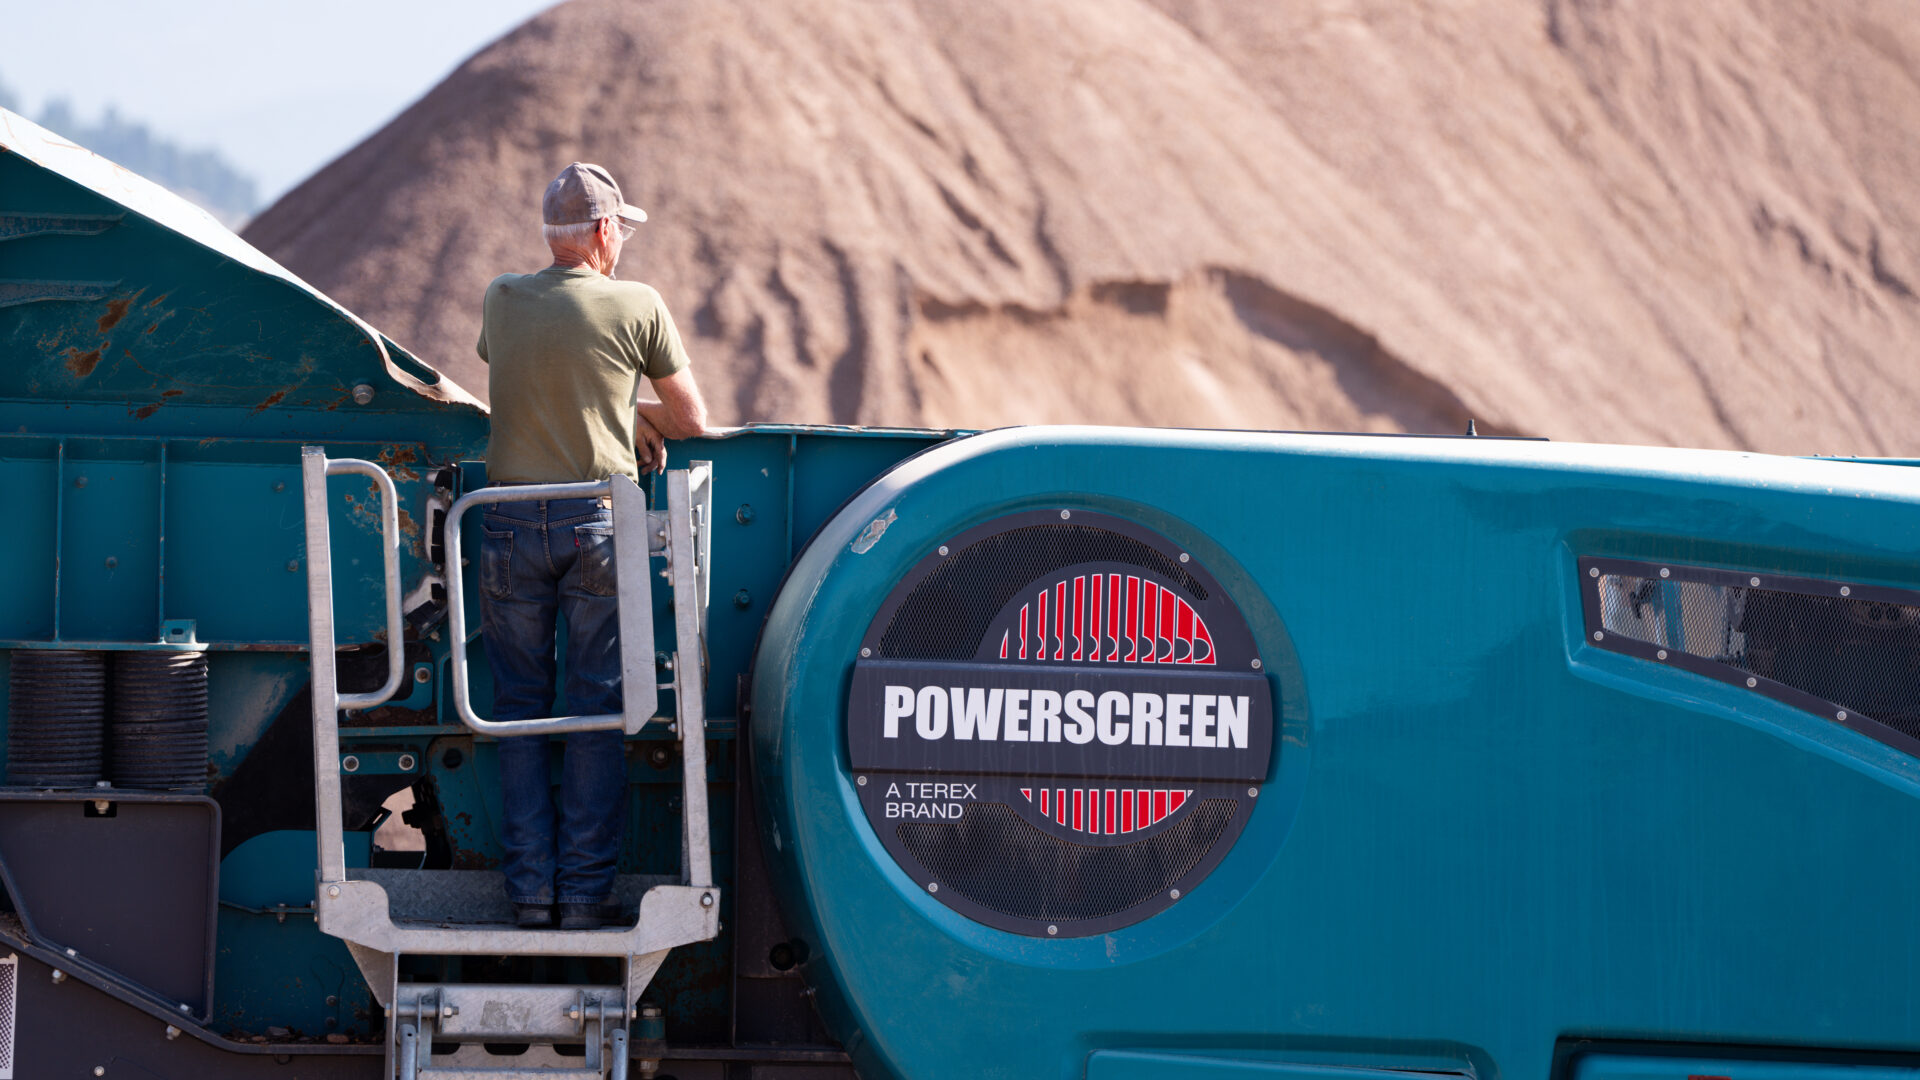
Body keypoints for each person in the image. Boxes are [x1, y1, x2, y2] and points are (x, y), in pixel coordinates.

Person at [476, 162, 709, 930]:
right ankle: (581, 898)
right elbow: (692, 421)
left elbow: (524, 371)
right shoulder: (636, 305)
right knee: (599, 707)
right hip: (595, 522)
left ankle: (528, 898)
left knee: (515, 710)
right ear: (606, 232)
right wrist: (634, 411)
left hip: (506, 520)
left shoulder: (503, 298)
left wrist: (611, 400)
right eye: (623, 232)